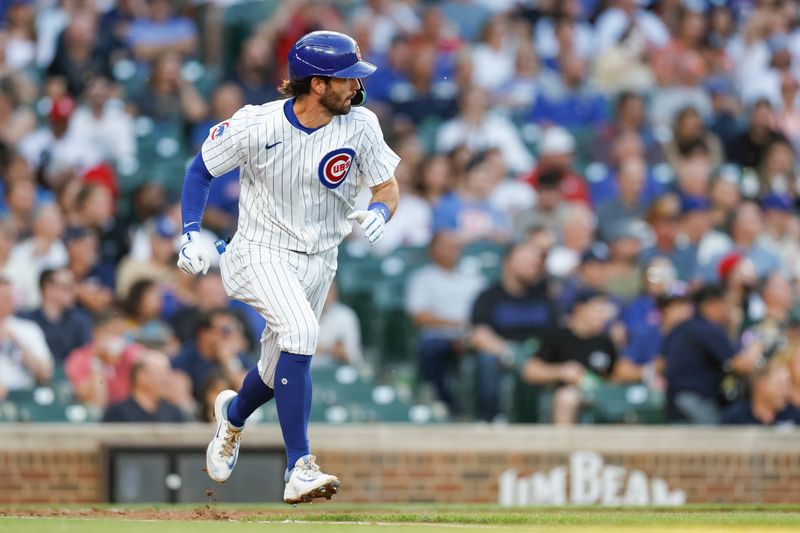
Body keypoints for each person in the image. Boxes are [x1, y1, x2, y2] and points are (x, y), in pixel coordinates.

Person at [176, 31, 400, 504]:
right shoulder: (255, 125)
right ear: (316, 84)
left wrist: (380, 212)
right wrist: (192, 230)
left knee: (279, 364)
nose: (357, 89)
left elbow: (387, 187)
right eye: (346, 80)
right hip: (260, 250)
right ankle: (299, 465)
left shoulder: (361, 125)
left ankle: (233, 415)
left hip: (321, 259)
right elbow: (201, 169)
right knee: (300, 334)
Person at [469, 242, 558, 421]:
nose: (534, 265)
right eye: (527, 259)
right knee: (487, 359)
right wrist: (514, 355)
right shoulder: (489, 297)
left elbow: (558, 334)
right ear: (507, 262)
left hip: (539, 356)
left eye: (536, 261)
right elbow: (479, 335)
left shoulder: (546, 298)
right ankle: (490, 419)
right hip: (503, 354)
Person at [406, 231, 485, 413]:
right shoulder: (423, 278)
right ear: (433, 250)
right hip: (439, 335)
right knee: (430, 347)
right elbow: (419, 316)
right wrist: (456, 326)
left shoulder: (473, 277)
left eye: (456, 245)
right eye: (447, 245)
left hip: (473, 336)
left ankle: (486, 413)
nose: (454, 249)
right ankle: (445, 405)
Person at [662, 285, 765, 424]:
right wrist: (756, 347)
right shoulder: (707, 328)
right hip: (695, 400)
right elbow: (741, 365)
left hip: (674, 401)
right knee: (719, 438)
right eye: (725, 304)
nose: (727, 311)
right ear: (712, 304)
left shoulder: (683, 327)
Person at [64, 308, 143, 409]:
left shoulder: (129, 352)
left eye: (121, 333)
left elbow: (149, 366)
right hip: (95, 416)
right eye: (113, 332)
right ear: (96, 332)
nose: (118, 338)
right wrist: (97, 362)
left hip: (127, 416)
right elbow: (91, 401)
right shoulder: (78, 358)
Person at [21, 268, 91, 363]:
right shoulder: (26, 320)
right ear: (48, 289)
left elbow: (84, 357)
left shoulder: (80, 320)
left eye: (73, 287)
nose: (73, 292)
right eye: (67, 287)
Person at [0, 276, 53, 393]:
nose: (8, 302)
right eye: (3, 298)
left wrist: (14, 342)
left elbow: (45, 373)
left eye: (10, 297)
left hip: (25, 394)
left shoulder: (28, 328)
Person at [103, 350, 186, 423]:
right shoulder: (117, 412)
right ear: (141, 376)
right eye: (160, 373)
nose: (166, 380)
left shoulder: (174, 412)